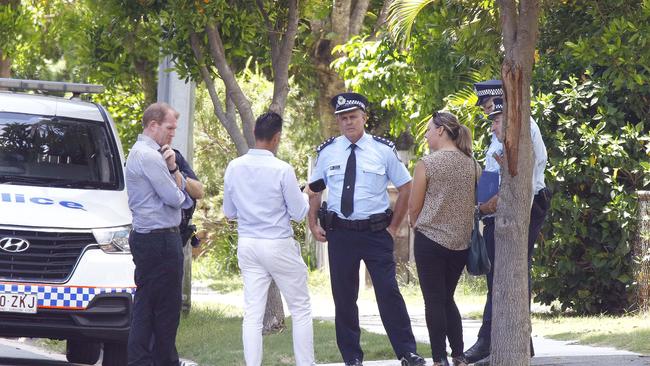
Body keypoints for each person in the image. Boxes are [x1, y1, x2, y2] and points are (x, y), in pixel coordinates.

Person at [307, 92, 425, 366]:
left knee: (388, 292)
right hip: (341, 234)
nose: (348, 122)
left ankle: (407, 352)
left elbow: (406, 186)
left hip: (376, 234)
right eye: (343, 118)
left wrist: (394, 227)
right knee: (344, 297)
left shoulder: (383, 150)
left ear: (364, 118)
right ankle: (352, 357)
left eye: (353, 117)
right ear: (338, 120)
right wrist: (312, 222)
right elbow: (314, 190)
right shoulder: (327, 152)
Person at [464, 90, 551, 364]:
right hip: (498, 209)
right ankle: (513, 342)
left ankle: (491, 341)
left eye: (493, 109)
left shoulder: (523, 129)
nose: (489, 117)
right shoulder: (501, 132)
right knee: (502, 276)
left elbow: (526, 178)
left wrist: (498, 203)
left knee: (507, 274)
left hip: (518, 207)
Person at [223, 112, 314, 366]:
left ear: (254, 133)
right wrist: (305, 195)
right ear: (277, 138)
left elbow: (229, 212)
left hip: (248, 243)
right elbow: (298, 213)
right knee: (300, 308)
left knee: (252, 312)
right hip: (277, 243)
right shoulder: (283, 170)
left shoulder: (234, 166)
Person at [126, 102, 194, 366]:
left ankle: (146, 359)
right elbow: (176, 198)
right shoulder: (149, 156)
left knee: (149, 303)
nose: (172, 134)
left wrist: (174, 171)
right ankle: (160, 361)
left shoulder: (145, 153)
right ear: (153, 125)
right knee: (164, 308)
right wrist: (178, 184)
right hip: (159, 239)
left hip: (151, 237)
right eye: (169, 128)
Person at [408, 112, 479, 366]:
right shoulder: (472, 165)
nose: (426, 134)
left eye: (428, 129)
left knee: (434, 301)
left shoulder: (427, 164)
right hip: (460, 244)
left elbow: (414, 207)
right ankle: (458, 355)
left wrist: (415, 224)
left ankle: (439, 358)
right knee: (447, 298)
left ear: (440, 131)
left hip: (430, 240)